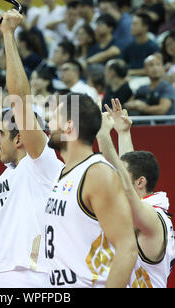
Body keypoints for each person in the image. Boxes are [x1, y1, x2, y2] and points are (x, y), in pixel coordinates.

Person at [0, 12, 64, 288]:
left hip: (33, 274)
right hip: (2, 272)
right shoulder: (12, 170)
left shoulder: (42, 163)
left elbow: (20, 98)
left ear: (20, 138)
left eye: (2, 136)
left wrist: (8, 34)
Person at [45, 91, 137, 288]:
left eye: (54, 118)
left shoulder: (97, 174)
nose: (48, 123)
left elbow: (127, 247)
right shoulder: (64, 172)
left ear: (69, 126)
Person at [97, 98, 175, 288]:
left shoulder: (152, 218)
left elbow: (124, 174)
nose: (117, 177)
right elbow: (128, 168)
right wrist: (123, 133)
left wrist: (101, 133)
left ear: (141, 182)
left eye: (121, 175)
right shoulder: (149, 208)